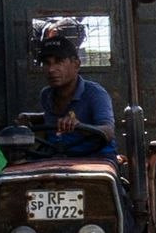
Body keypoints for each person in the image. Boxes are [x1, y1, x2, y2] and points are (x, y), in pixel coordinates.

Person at [31, 27, 115, 158]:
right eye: (47, 63)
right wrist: (32, 118)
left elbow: (108, 131)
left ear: (76, 64)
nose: (51, 69)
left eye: (59, 62)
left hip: (95, 159)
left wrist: (80, 126)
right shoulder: (46, 95)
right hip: (58, 158)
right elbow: (52, 120)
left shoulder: (95, 94)